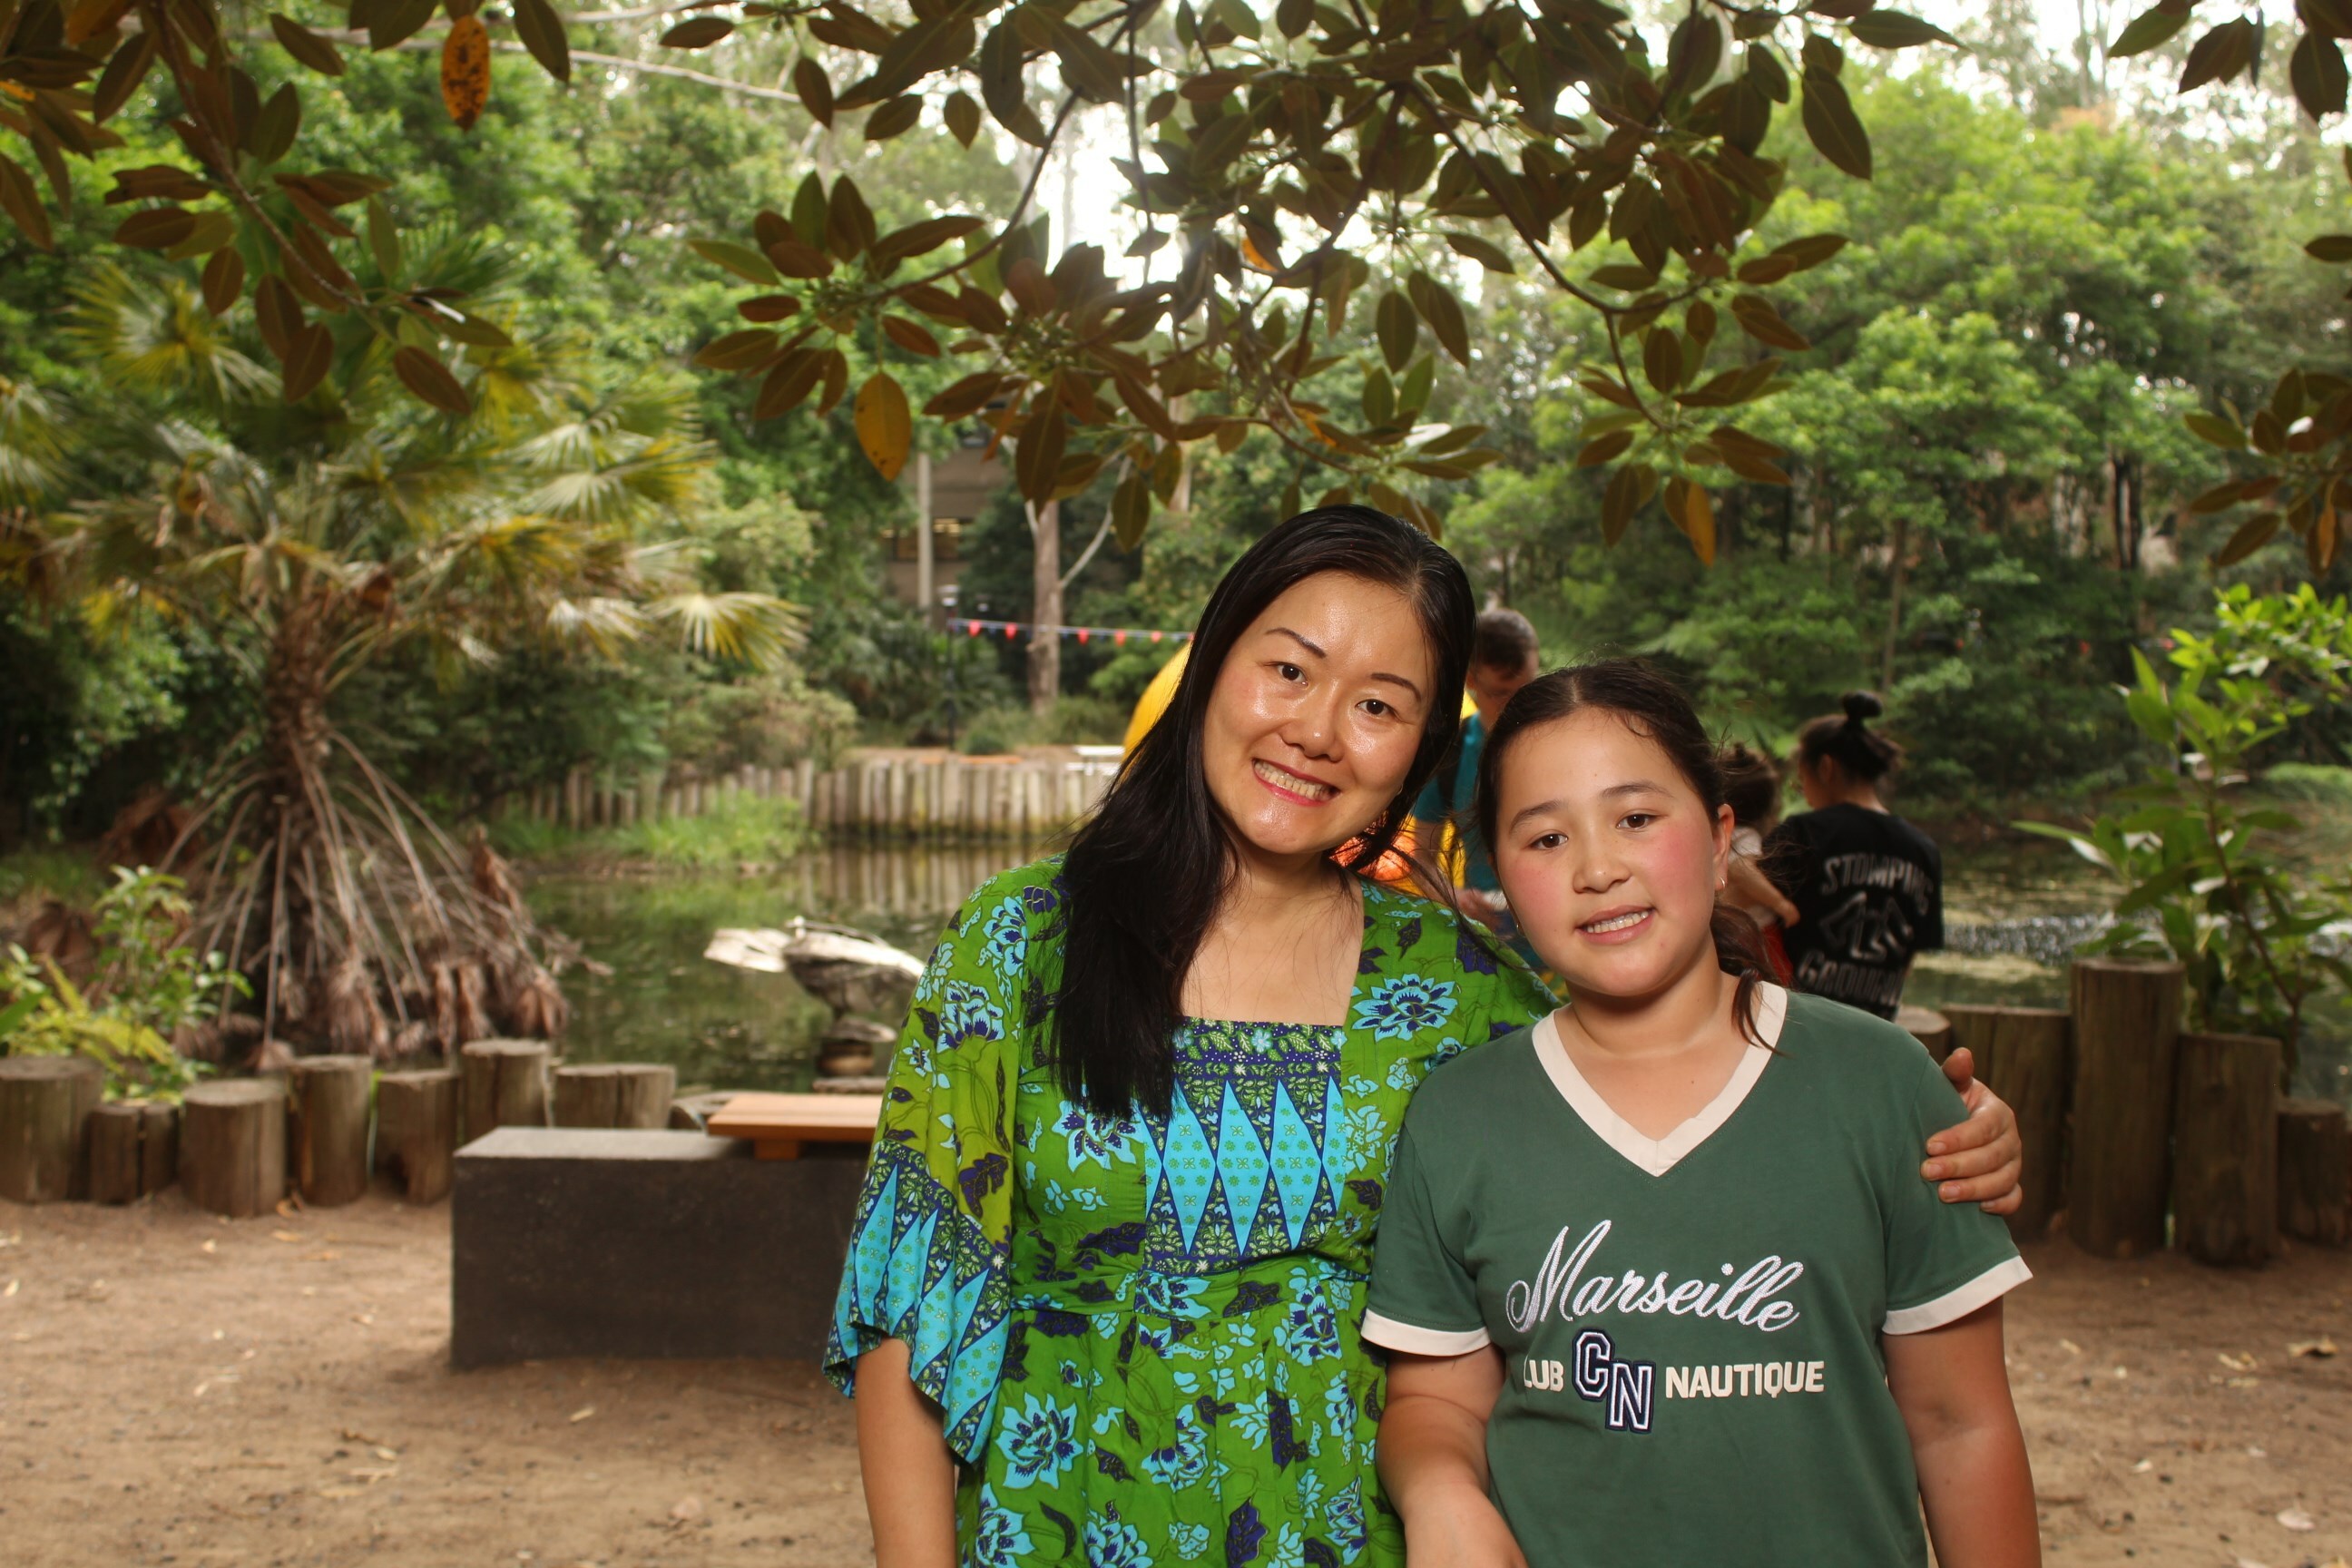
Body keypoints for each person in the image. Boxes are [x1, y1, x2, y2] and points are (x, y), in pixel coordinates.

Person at [829, 509, 2024, 1568]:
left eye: (1379, 706)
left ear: (1416, 752)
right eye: (1288, 670)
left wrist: (1944, 1128)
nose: (1318, 731)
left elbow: (1661, 1071)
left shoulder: (1456, 987)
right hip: (1060, 1527)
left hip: (1372, 1535)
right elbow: (910, 1308)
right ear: (1214, 663)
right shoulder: (1023, 944)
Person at [1367, 661, 2038, 1568]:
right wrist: (1441, 1491)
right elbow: (1438, 1401)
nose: (1598, 869)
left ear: (1723, 841)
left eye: (1637, 819)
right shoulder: (1459, 1118)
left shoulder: (1882, 1084)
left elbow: (1960, 1422)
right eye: (1547, 838)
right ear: (1503, 880)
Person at [1768, 691, 1943, 1019]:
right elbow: (1908, 958)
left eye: (1802, 780)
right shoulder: (1923, 850)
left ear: (1825, 767)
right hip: (1876, 1026)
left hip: (1800, 1022)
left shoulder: (1802, 833)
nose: (1805, 794)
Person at [1406, 607, 1541, 934]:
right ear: (1470, 681)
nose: (1517, 706)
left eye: (1527, 689)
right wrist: (1456, 898)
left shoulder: (1565, 742)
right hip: (1491, 940)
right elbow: (1420, 859)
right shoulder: (1451, 754)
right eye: (1500, 693)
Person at [1717, 741, 1797, 982]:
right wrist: (1780, 904)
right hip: (1755, 932)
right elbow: (1741, 869)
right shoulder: (1746, 836)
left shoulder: (1722, 836)